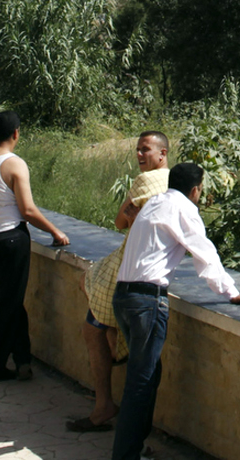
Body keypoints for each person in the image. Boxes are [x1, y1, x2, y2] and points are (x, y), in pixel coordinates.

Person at [112, 162, 240, 460]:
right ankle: (125, 456)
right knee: (140, 382)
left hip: (124, 296)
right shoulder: (184, 209)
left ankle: (135, 447)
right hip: (147, 301)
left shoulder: (153, 203)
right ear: (195, 190)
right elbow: (204, 253)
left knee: (148, 374)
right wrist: (231, 292)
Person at [68, 131, 171, 433]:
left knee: (103, 333)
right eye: (138, 150)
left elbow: (127, 219)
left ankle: (111, 411)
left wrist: (133, 213)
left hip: (137, 272)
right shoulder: (149, 183)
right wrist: (133, 213)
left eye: (147, 150)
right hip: (129, 266)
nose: (140, 155)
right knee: (94, 316)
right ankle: (106, 404)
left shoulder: (158, 183)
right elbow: (121, 220)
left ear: (163, 154)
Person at [0, 110, 70, 384]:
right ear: (16, 133)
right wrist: (55, 230)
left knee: (8, 302)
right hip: (11, 241)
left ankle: (22, 361)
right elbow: (28, 210)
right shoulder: (14, 164)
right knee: (8, 307)